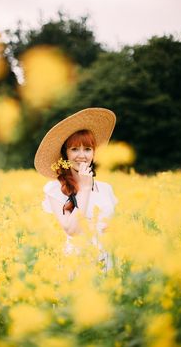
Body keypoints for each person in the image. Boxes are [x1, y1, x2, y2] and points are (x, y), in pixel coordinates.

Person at [34, 107, 118, 272]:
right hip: (77, 266)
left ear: (94, 153)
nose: (82, 155)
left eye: (87, 149)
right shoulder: (55, 189)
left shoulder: (106, 189)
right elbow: (72, 230)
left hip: (107, 265)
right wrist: (85, 189)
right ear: (65, 154)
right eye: (74, 149)